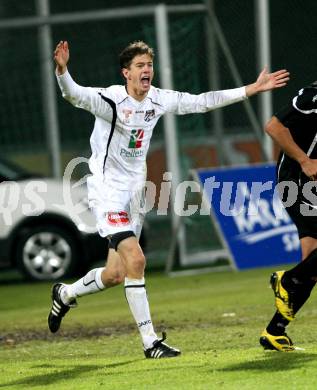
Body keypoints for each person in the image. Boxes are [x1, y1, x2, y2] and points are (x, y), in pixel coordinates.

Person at [48, 40, 289, 359]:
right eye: (140, 66)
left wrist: (250, 89)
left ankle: (65, 294)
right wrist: (62, 71)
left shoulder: (158, 99)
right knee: (136, 260)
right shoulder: (110, 99)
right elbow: (74, 94)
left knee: (115, 274)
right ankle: (150, 342)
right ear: (126, 73)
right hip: (106, 191)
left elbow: (202, 102)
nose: (147, 70)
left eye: (149, 64)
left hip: (135, 193)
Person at [260, 81, 317, 352]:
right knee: (309, 268)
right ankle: (288, 280)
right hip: (295, 181)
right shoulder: (312, 96)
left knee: (312, 264)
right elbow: (273, 126)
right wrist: (304, 160)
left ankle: (275, 331)